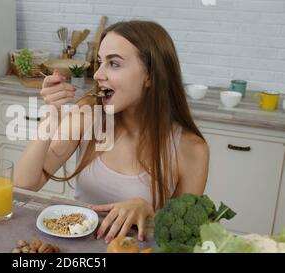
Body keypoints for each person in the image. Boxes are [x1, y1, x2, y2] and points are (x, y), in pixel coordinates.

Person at [14, 20, 209, 243]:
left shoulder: (191, 149)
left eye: (113, 64)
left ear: (150, 76)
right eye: (99, 62)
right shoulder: (88, 115)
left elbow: (185, 238)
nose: (97, 74)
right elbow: (24, 187)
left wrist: (149, 213)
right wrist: (51, 115)